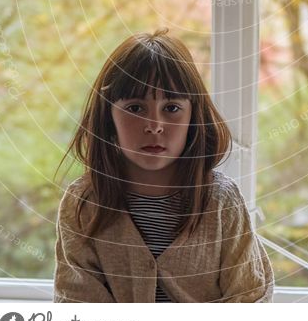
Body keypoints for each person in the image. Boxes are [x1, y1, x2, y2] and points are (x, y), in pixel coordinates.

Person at [53, 27, 274, 303]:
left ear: (193, 117)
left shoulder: (221, 201)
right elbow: (78, 307)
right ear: (108, 118)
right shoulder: (83, 204)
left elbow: (250, 296)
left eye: (171, 108)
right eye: (135, 108)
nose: (154, 126)